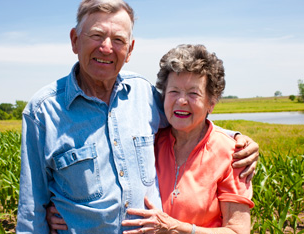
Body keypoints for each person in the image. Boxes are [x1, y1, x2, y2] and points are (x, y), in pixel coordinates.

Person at [17, 0, 259, 233]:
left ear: (130, 50)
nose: (106, 47)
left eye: (118, 40)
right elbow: (31, 208)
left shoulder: (143, 94)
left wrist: (235, 139)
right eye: (96, 35)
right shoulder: (43, 112)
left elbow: (188, 122)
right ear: (75, 40)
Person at [121, 44, 254, 234]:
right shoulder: (149, 142)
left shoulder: (233, 154)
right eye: (174, 91)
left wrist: (177, 228)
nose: (181, 101)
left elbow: (238, 231)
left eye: (193, 93)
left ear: (211, 102)